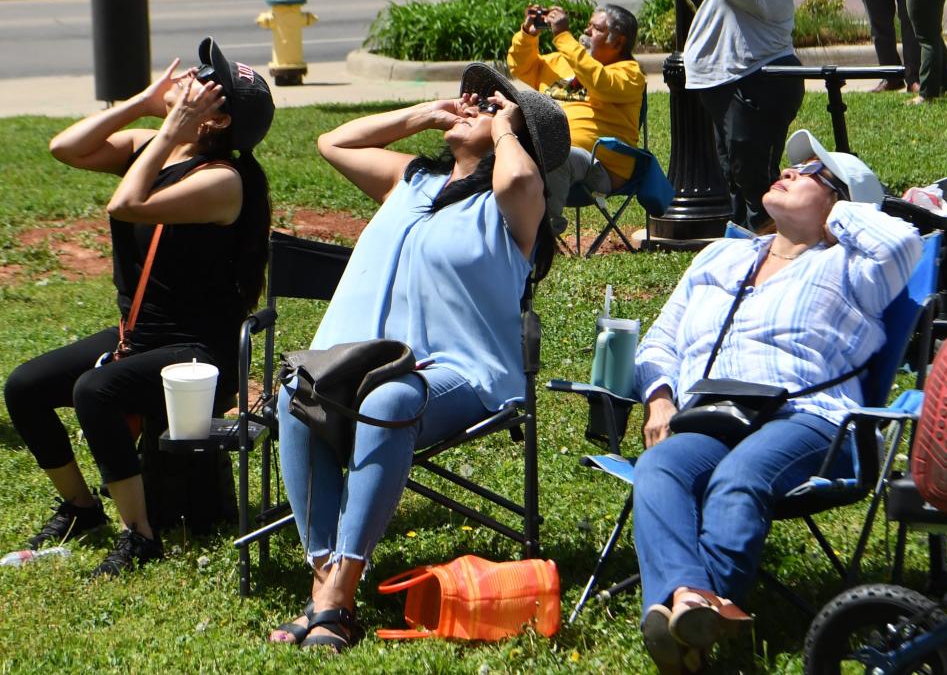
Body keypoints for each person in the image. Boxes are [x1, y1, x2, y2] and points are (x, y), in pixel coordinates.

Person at [269, 64, 569, 652]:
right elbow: (333, 141)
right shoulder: (409, 181)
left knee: (391, 397)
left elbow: (523, 185)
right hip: (351, 363)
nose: (472, 105)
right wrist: (422, 116)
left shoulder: (510, 209)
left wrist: (507, 128)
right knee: (296, 390)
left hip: (460, 373)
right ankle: (325, 582)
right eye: (473, 100)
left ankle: (336, 598)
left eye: (489, 104)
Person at [631, 129, 922, 674]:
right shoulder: (723, 254)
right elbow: (660, 340)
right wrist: (660, 399)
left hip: (812, 420)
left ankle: (692, 619)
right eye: (792, 167)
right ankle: (695, 604)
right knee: (659, 466)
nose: (790, 172)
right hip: (715, 412)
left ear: (841, 203)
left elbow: (903, 241)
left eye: (811, 173)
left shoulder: (854, 268)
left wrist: (836, 213)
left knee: (739, 477)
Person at [3, 37, 273, 577]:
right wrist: (145, 105)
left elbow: (126, 204)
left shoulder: (223, 182)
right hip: (141, 335)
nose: (191, 77)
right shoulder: (159, 149)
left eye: (204, 80)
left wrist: (169, 128)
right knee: (25, 387)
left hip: (199, 351)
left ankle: (140, 535)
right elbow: (66, 147)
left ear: (215, 121)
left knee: (94, 391)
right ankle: (82, 509)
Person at [684, 0, 826, 232]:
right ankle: (744, 247)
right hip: (739, 84)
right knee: (737, 176)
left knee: (755, 181)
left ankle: (777, 248)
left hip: (756, 83)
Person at [506, 3, 645, 235]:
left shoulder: (629, 74)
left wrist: (562, 36)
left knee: (559, 155)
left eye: (597, 29)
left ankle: (542, 233)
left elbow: (599, 82)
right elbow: (522, 66)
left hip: (600, 166)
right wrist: (528, 35)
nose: (587, 32)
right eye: (588, 25)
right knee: (500, 148)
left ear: (618, 42)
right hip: (548, 150)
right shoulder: (564, 61)